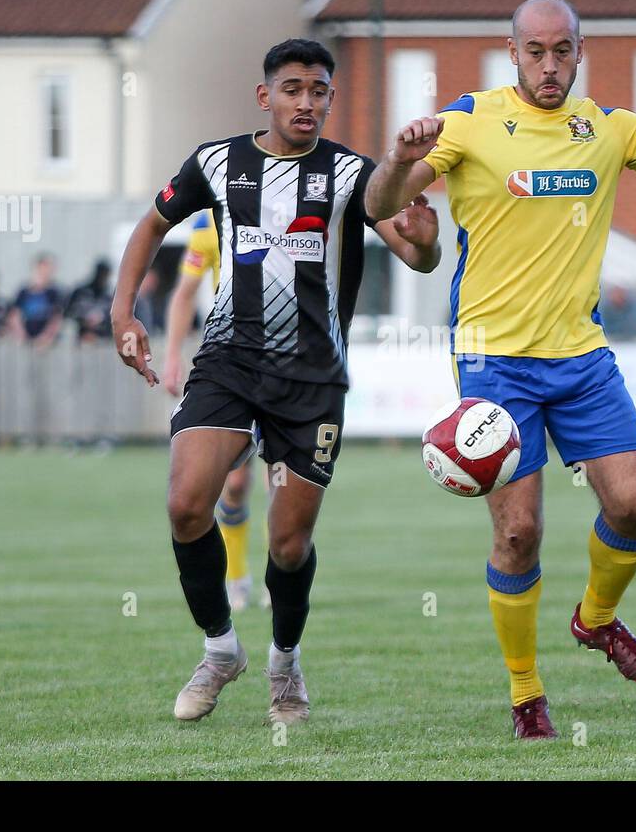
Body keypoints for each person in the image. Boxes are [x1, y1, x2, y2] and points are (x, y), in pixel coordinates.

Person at [364, 0, 636, 739]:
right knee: (519, 533)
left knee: (635, 503)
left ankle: (597, 621)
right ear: (512, 53)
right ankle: (526, 694)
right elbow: (379, 201)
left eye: (561, 50)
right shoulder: (468, 121)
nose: (548, 64)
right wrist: (402, 160)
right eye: (534, 51)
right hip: (492, 358)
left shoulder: (607, 128)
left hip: (580, 355)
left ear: (579, 51)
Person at [110, 38, 441, 727]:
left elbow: (416, 256)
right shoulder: (217, 162)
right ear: (265, 96)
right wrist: (122, 312)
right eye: (293, 89)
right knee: (185, 504)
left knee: (288, 545)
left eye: (319, 91)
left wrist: (426, 236)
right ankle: (219, 649)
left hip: (312, 380)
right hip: (230, 362)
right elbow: (151, 225)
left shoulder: (351, 174)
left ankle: (284, 663)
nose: (307, 103)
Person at [163, 211, 259, 613]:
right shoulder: (208, 225)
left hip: (291, 364)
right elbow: (185, 291)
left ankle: (281, 576)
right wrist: (171, 355)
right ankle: (237, 578)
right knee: (233, 485)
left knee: (285, 485)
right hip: (234, 367)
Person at [8, 254, 64, 348]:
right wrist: (21, 335)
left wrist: (46, 337)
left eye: (47, 269)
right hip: (25, 342)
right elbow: (14, 315)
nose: (44, 272)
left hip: (47, 344)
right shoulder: (24, 292)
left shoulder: (54, 292)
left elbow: (57, 318)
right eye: (41, 269)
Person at [66, 260, 115, 344]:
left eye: (105, 274)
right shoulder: (80, 292)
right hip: (79, 340)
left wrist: (101, 320)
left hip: (102, 343)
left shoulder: (110, 296)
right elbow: (68, 313)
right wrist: (84, 320)